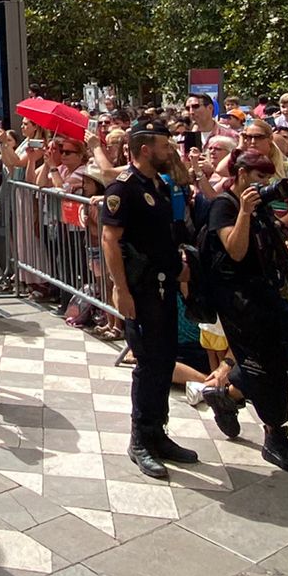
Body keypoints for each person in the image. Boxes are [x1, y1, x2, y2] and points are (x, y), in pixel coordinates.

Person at [188, 149, 288, 475]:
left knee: (274, 355)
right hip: (237, 300)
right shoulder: (224, 206)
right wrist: (244, 212)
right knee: (265, 364)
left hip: (263, 292)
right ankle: (276, 435)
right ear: (242, 174)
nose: (263, 186)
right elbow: (236, 249)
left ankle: (227, 395)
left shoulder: (258, 207)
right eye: (259, 179)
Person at [100, 129, 196, 479]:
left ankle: (158, 431)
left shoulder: (161, 185)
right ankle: (139, 438)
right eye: (163, 145)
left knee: (165, 357)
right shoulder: (123, 188)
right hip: (140, 289)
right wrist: (119, 289)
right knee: (147, 362)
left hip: (165, 284)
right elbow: (111, 239)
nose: (169, 150)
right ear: (144, 149)